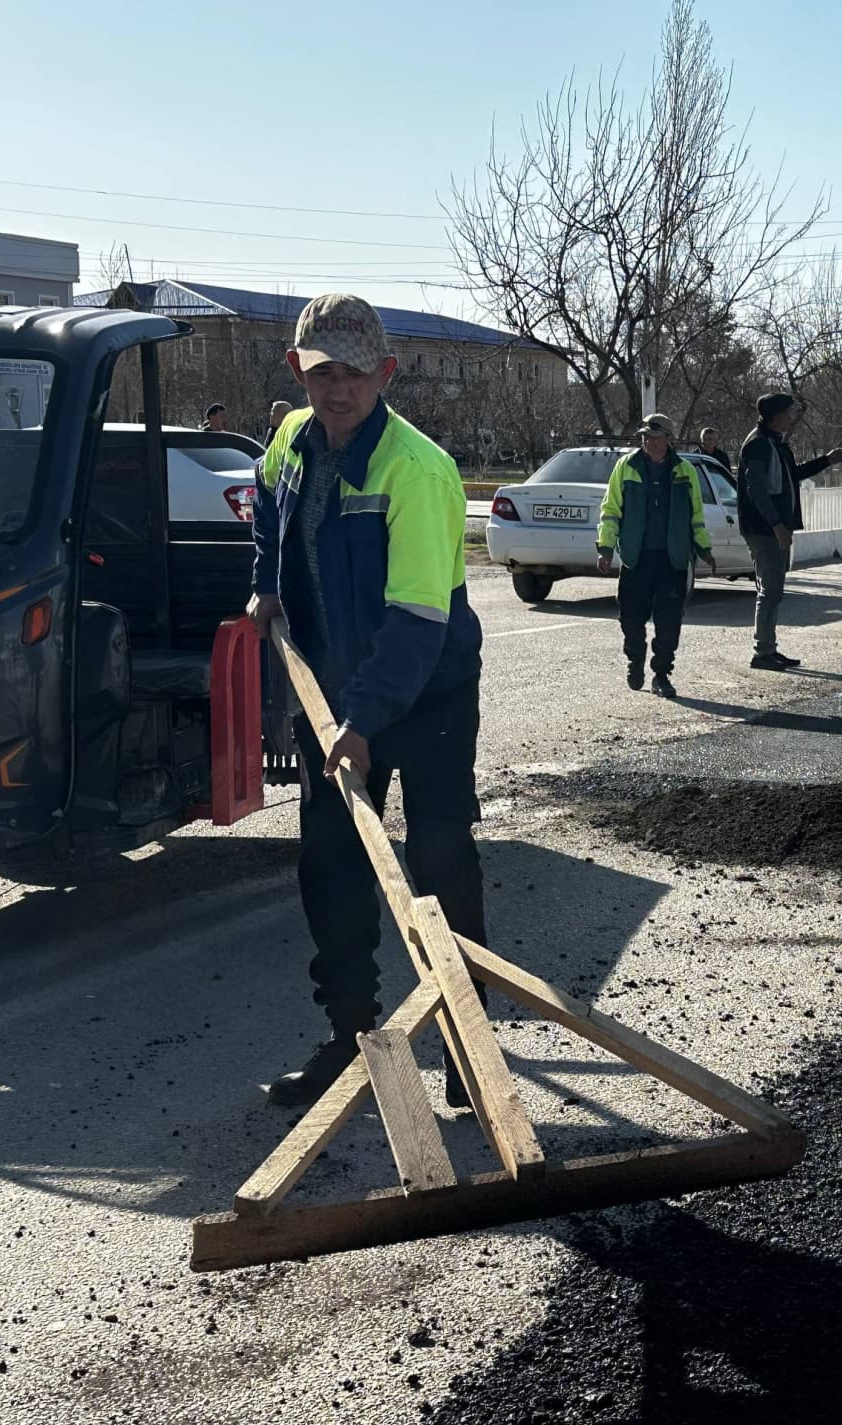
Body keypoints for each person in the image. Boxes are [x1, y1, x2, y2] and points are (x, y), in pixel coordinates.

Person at [245, 294, 485, 1107]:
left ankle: (467, 1049)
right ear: (298, 372)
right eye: (322, 373)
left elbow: (418, 620)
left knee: (441, 856)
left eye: (354, 373)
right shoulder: (290, 442)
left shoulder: (417, 471)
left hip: (427, 690)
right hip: (335, 695)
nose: (337, 389)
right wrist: (266, 587)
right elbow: (266, 506)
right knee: (333, 865)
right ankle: (350, 1038)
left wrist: (365, 721)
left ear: (385, 372)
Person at [595, 413, 717, 699]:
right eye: (644, 436)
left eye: (654, 436)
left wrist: (704, 549)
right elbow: (611, 510)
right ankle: (635, 660)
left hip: (672, 559)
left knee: (669, 621)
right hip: (636, 559)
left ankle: (661, 674)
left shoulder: (685, 471)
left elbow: (695, 517)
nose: (648, 441)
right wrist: (605, 547)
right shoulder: (626, 467)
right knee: (631, 618)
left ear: (668, 439)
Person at [735, 392, 842, 671]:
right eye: (787, 413)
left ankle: (768, 649)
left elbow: (792, 474)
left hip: (774, 528)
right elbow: (757, 490)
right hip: (765, 530)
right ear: (775, 416)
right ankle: (762, 652)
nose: (790, 418)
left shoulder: (774, 444)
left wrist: (827, 460)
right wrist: (777, 526)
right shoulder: (759, 445)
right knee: (769, 591)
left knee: (773, 591)